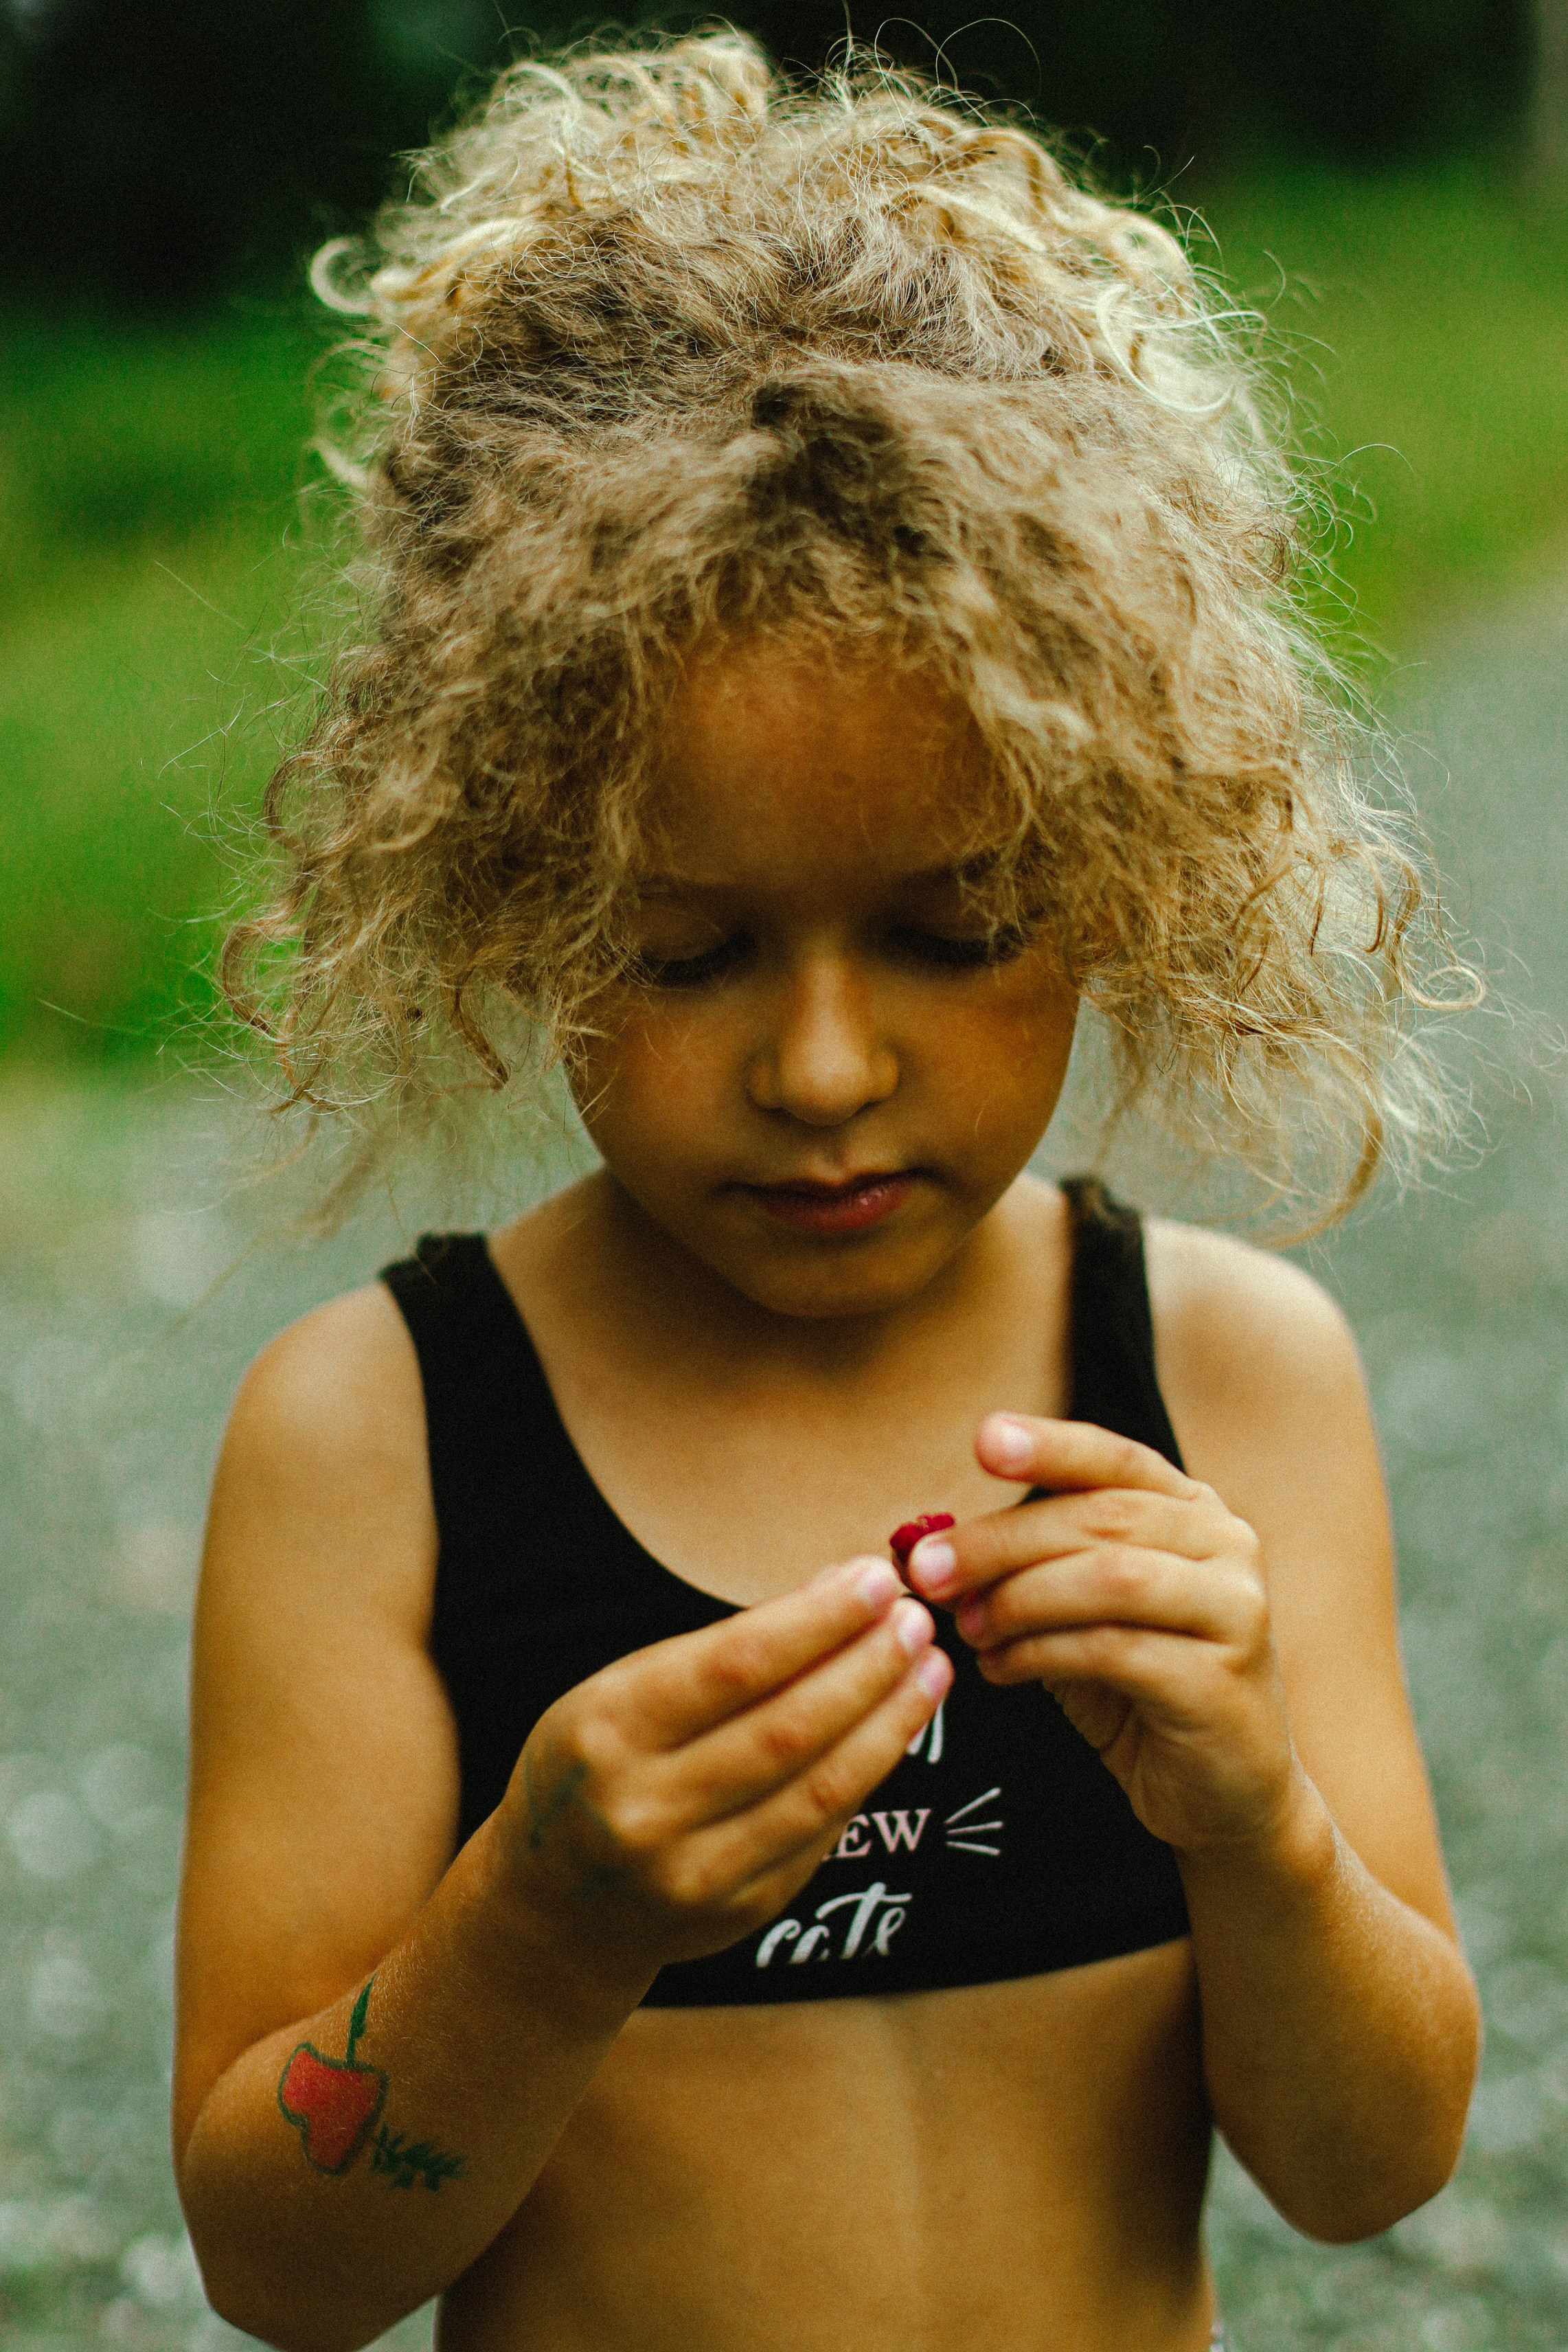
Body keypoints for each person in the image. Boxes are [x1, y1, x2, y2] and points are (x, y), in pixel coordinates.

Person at [173, 34, 1481, 2352]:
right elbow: (285, 2268)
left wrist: (1254, 1818)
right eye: (679, 953)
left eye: (956, 931)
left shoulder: (1223, 1378)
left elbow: (1370, 2169)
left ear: (1117, 876)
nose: (818, 1067)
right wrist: (537, 1927)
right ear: (507, 884)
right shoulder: (372, 1441)